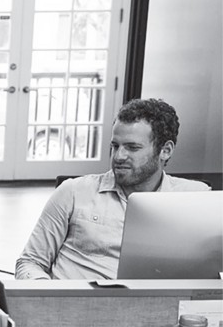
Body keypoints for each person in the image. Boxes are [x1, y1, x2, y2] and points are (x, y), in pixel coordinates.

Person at [15, 99, 210, 281]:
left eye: (132, 148)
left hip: (155, 309)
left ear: (165, 150)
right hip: (75, 307)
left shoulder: (195, 198)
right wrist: (49, 295)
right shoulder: (74, 192)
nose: (119, 156)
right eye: (115, 146)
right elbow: (29, 263)